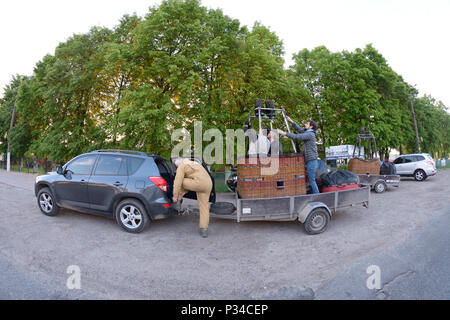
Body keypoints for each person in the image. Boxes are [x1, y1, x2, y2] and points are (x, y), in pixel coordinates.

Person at [277, 117, 320, 194]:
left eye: (307, 123)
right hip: (310, 160)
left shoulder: (310, 134)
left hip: (312, 161)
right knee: (311, 180)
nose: (305, 124)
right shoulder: (308, 132)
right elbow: (300, 130)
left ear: (311, 127)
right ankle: (315, 195)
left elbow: (297, 137)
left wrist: (283, 133)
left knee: (312, 180)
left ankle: (317, 196)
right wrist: (291, 121)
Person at [172, 158, 213, 238]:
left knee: (180, 181)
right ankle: (204, 229)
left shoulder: (182, 166)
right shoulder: (195, 163)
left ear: (178, 165)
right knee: (204, 208)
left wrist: (175, 196)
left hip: (199, 183)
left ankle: (178, 201)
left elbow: (177, 183)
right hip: (208, 184)